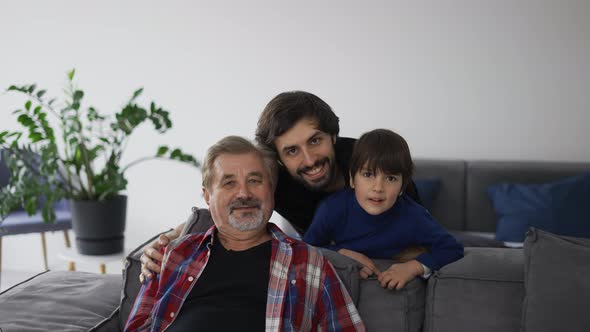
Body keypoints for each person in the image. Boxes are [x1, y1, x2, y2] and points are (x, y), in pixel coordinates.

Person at [139, 91, 423, 281]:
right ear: (278, 159)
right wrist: (168, 241)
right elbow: (225, 206)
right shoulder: (279, 180)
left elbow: (419, 244)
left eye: (315, 141)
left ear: (332, 135)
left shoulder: (378, 170)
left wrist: (343, 249)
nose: (310, 160)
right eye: (292, 151)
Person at [125, 136, 365, 331]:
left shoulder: (310, 263)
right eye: (229, 183)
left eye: (254, 180)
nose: (244, 193)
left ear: (271, 191)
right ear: (208, 196)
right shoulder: (172, 254)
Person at [303, 129, 464, 290]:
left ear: (402, 187)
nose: (378, 187)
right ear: (352, 179)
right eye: (368, 174)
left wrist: (413, 267)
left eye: (390, 178)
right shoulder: (331, 209)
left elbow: (452, 248)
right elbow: (308, 248)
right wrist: (341, 253)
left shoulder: (413, 216)